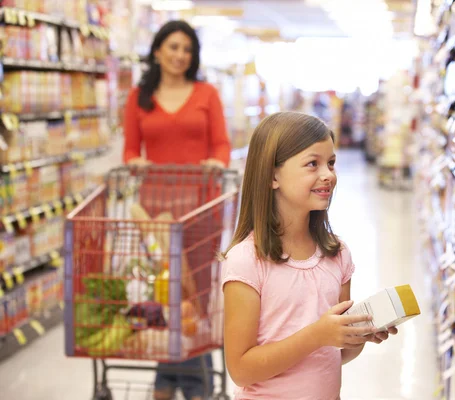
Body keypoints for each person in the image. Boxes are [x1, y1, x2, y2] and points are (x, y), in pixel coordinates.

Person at [221, 112, 398, 399]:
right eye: (312, 164)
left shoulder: (337, 254)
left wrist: (356, 336)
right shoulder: (246, 261)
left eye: (331, 163)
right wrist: (317, 335)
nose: (328, 175)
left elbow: (331, 355)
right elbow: (241, 369)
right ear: (272, 175)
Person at [122, 20, 231, 400]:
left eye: (187, 49)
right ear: (156, 51)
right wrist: (134, 161)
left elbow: (221, 145)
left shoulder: (207, 93)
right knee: (166, 295)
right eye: (173, 47)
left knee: (195, 298)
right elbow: (130, 149)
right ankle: (188, 384)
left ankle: (172, 383)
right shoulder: (139, 97)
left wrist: (217, 163)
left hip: (201, 208)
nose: (180, 55)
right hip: (155, 214)